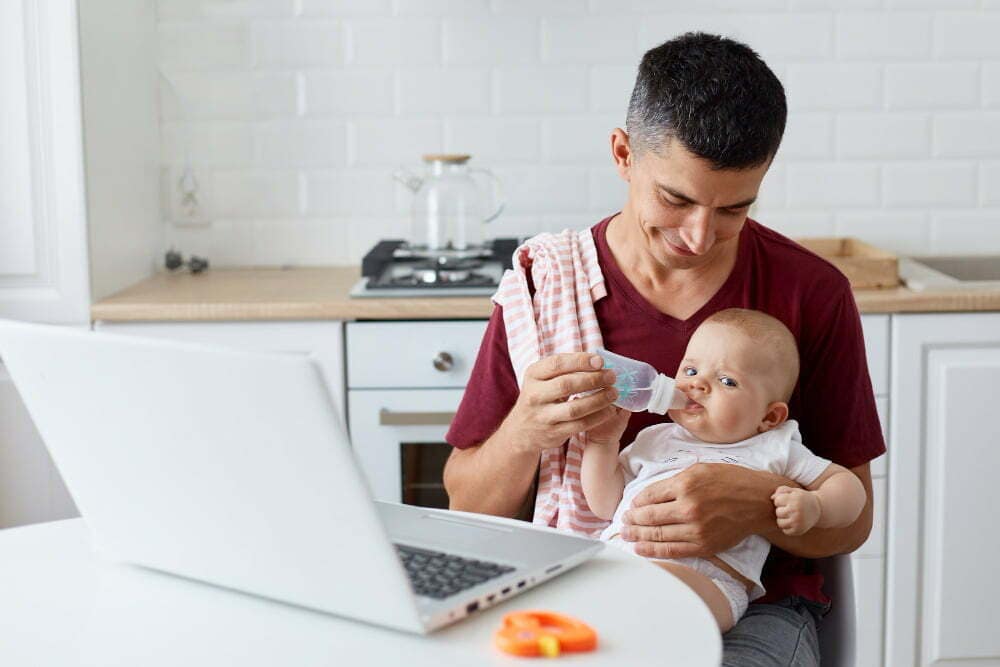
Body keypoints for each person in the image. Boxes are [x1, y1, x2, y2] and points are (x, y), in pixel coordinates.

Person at [444, 32, 885, 666]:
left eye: (734, 208)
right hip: (588, 584)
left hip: (751, 611)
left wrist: (757, 508)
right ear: (623, 154)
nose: (700, 236)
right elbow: (466, 504)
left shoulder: (812, 293)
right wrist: (527, 432)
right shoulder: (548, 287)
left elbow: (854, 518)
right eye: (676, 199)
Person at [581, 309, 867, 633]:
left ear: (769, 417)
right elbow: (605, 503)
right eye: (690, 369)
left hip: (709, 581)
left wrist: (816, 506)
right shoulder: (656, 439)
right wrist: (602, 442)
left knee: (654, 607)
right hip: (620, 562)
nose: (697, 384)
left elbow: (849, 488)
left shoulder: (773, 447)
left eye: (727, 381)